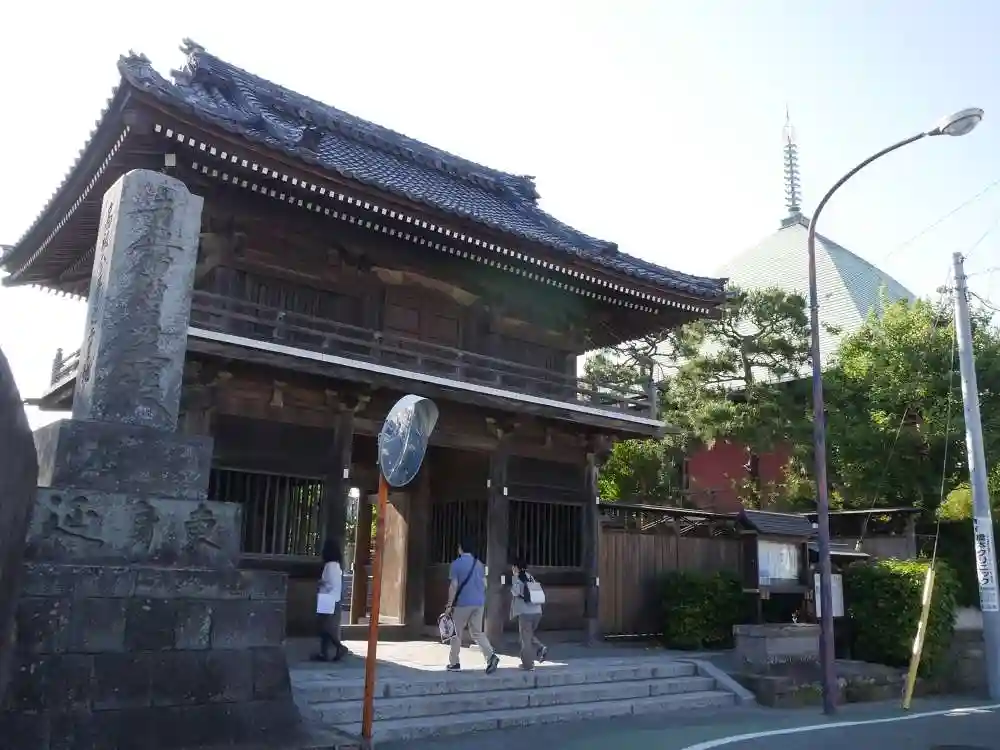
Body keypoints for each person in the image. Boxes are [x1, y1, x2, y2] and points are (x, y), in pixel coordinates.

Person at [445, 538, 499, 674]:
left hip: (463, 603)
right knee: (477, 632)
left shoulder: (456, 564)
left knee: (456, 633)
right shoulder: (479, 564)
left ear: (460, 548)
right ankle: (491, 655)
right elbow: (485, 584)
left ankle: (454, 663)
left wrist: (449, 605)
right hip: (479, 603)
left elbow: (454, 586)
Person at [311, 538, 348, 662]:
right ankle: (325, 652)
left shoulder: (330, 566)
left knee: (324, 626)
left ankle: (338, 646)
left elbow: (329, 583)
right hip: (333, 597)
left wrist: (320, 582)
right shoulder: (337, 565)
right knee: (325, 626)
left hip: (327, 597)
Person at [510, 560, 547, 670]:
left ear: (516, 568)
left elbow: (515, 592)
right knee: (527, 636)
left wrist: (514, 577)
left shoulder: (517, 578)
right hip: (537, 611)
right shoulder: (530, 577)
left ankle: (528, 665)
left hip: (525, 612)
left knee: (525, 640)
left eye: (513, 567)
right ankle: (540, 647)